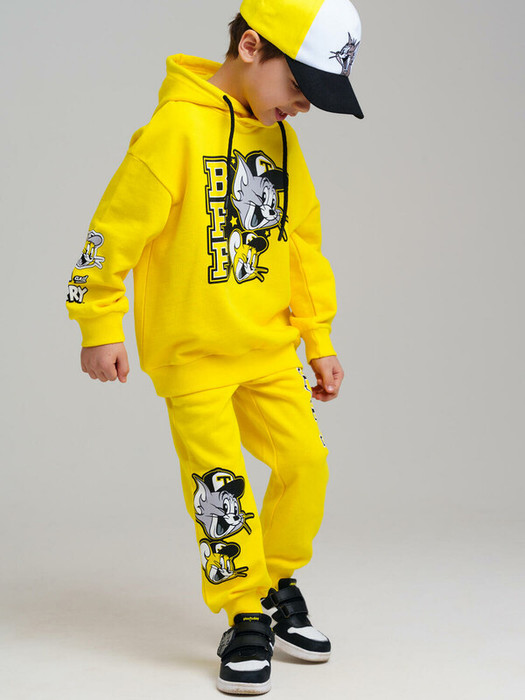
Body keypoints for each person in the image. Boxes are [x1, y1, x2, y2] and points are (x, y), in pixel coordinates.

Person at [66, 0, 364, 694]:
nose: (304, 107)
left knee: (307, 464)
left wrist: (318, 338)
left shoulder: (281, 141)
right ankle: (242, 612)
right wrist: (99, 322)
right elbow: (113, 229)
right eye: (301, 87)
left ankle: (273, 582)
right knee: (219, 488)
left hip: (268, 347)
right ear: (252, 47)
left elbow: (301, 246)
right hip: (192, 355)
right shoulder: (173, 129)